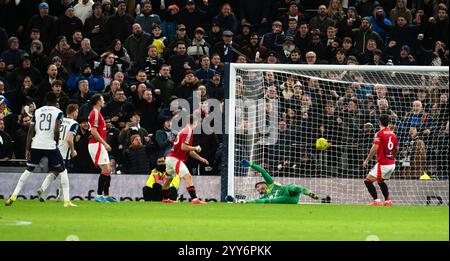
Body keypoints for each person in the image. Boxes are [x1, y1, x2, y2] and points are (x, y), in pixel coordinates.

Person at [5, 92, 76, 207]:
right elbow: (57, 130)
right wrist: (56, 142)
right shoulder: (58, 112)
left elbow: (30, 131)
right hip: (50, 145)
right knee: (63, 171)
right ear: (56, 100)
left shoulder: (37, 111)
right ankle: (67, 201)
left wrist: (27, 149)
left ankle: (14, 195)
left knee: (28, 170)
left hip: (36, 144)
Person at [162, 114, 209, 204]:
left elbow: (189, 151)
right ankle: (194, 199)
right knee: (188, 176)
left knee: (168, 180)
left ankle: (165, 199)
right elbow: (184, 147)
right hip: (175, 159)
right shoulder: (188, 131)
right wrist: (195, 147)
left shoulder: (183, 130)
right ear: (195, 122)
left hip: (169, 158)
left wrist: (200, 158)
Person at [37, 104, 79, 202]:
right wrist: (73, 150)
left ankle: (42, 189)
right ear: (73, 112)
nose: (77, 114)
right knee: (63, 174)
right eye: (77, 111)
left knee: (54, 172)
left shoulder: (59, 120)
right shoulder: (74, 123)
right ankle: (60, 196)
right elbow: (69, 139)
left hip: (54, 150)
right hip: (64, 153)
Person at [232, 159, 319, 204]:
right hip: (284, 200)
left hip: (287, 191)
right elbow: (256, 201)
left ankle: (308, 192)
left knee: (293, 187)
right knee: (266, 201)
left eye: (258, 187)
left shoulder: (270, 183)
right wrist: (238, 200)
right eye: (257, 190)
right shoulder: (265, 196)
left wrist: (251, 164)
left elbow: (263, 171)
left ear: (263, 183)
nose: (258, 190)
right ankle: (242, 202)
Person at [363, 114, 398, 207]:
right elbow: (396, 149)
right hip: (392, 163)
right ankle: (387, 201)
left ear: (379, 122)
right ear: (388, 123)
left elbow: (374, 148)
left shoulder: (379, 133)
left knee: (367, 181)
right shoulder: (393, 134)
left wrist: (367, 160)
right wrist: (393, 157)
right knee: (380, 181)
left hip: (383, 163)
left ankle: (376, 201)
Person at [88, 94, 116, 203]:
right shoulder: (95, 113)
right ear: (98, 101)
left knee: (108, 170)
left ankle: (106, 195)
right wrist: (104, 143)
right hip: (96, 144)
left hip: (98, 144)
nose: (104, 101)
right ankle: (99, 195)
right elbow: (93, 131)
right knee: (106, 170)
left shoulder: (97, 113)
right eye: (102, 99)